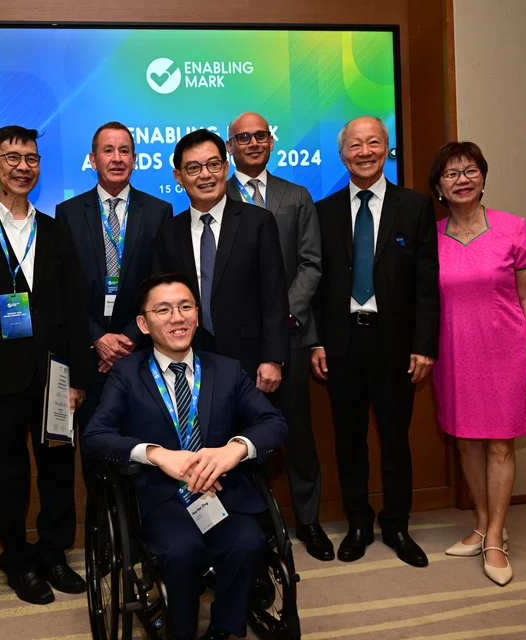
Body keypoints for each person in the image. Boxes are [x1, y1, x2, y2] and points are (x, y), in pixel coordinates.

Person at [82, 272, 288, 640]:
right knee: (182, 551)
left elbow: (273, 422)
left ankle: (224, 631)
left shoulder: (226, 369)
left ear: (197, 314)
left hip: (220, 490)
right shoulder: (127, 373)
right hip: (162, 496)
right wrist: (156, 454)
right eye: (163, 310)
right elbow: (96, 437)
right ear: (143, 324)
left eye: (185, 307)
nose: (177, 318)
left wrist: (234, 449)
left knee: (248, 543)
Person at [0, 126, 90, 604]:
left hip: (53, 377)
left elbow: (72, 309)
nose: (22, 166)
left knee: (56, 470)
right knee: (6, 475)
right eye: (11, 158)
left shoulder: (55, 231)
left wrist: (75, 378)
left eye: (31, 158)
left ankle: (54, 553)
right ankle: (17, 560)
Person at [310, 116, 439, 568]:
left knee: (395, 439)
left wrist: (424, 345)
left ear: (387, 148)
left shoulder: (415, 206)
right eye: (355, 145)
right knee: (349, 441)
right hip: (342, 343)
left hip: (396, 345)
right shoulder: (322, 212)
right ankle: (359, 522)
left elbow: (427, 284)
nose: (364, 152)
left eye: (374, 142)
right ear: (342, 154)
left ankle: (397, 524)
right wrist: (315, 342)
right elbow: (315, 283)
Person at [429, 141, 526, 586]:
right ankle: (481, 524)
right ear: (439, 186)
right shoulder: (431, 236)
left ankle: (497, 536)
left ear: (483, 176)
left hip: (506, 351)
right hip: (454, 353)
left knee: (500, 443)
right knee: (466, 441)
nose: (462, 179)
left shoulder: (513, 228)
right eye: (451, 173)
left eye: (470, 170)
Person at [225, 112, 329, 561]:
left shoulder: (296, 196)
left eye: (260, 136)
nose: (252, 143)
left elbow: (311, 264)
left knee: (299, 435)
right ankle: (255, 524)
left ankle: (308, 520)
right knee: (238, 437)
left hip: (289, 336)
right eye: (242, 138)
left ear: (271, 141)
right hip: (233, 343)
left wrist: (281, 315)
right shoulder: (212, 194)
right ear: (230, 147)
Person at [55, 121, 172, 486]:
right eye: (108, 150)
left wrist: (126, 338)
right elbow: (66, 290)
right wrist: (98, 338)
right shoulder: (67, 213)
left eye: (124, 151)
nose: (117, 158)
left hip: (137, 351)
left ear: (135, 159)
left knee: (144, 448)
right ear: (92, 159)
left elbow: (159, 287)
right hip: (89, 355)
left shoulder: (158, 211)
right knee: (96, 448)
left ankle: (142, 537)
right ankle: (104, 537)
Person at [152, 129, 290, 394]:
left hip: (249, 360)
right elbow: (161, 300)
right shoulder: (168, 232)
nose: (205, 175)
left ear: (226, 168)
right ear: (178, 177)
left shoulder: (258, 222)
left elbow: (274, 295)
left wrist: (273, 358)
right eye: (193, 168)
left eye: (213, 164)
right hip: (189, 360)